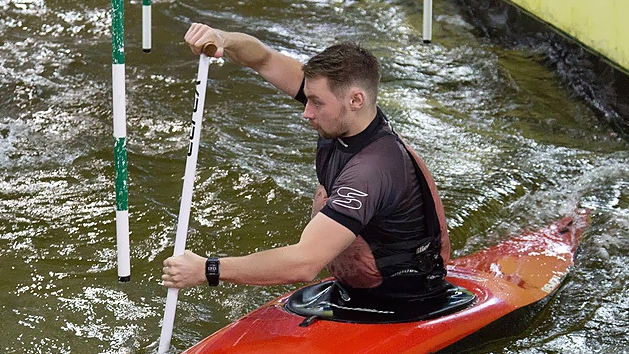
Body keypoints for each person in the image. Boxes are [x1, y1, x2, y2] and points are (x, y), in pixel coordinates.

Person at [162, 23, 451, 307]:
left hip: (399, 299)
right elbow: (264, 59)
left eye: (315, 102)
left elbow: (304, 264)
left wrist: (207, 270)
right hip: (358, 281)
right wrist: (222, 38)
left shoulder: (370, 171)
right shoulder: (347, 115)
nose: (306, 112)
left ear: (355, 100)